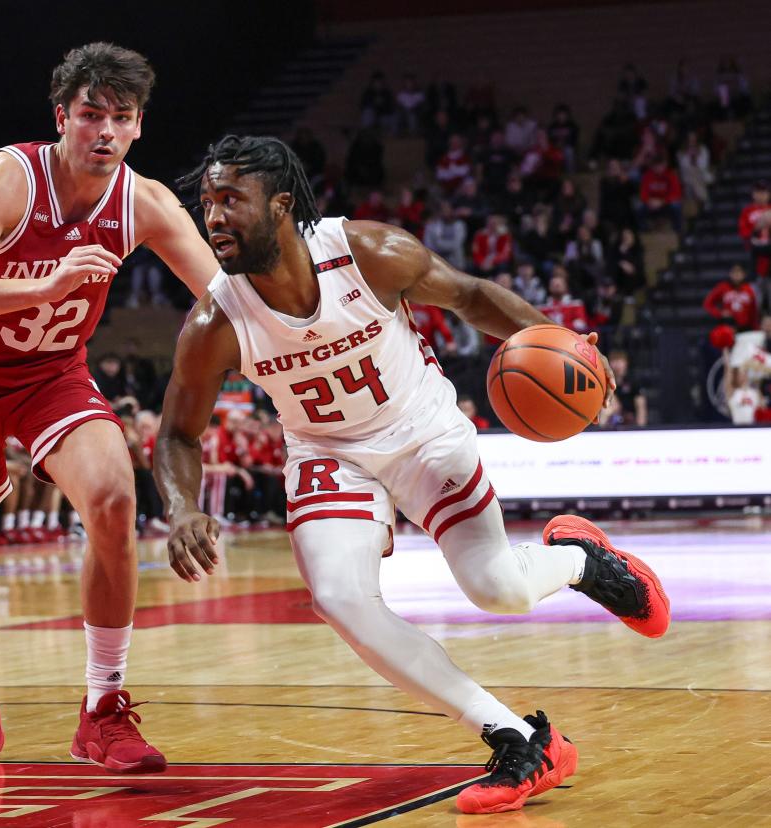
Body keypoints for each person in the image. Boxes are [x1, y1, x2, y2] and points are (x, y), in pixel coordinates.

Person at [158, 136, 670, 815]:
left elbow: (471, 296)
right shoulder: (215, 321)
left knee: (500, 590)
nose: (213, 218)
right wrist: (181, 506)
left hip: (424, 431)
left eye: (230, 200)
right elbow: (176, 433)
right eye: (206, 204)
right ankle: (518, 738)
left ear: (281, 204)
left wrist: (564, 346)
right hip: (327, 453)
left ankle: (582, 561)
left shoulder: (368, 253)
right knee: (340, 598)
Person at [0, 42, 217, 771]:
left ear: (139, 126)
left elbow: (225, 300)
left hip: (52, 374)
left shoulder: (144, 202)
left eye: (121, 117)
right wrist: (44, 284)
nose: (105, 131)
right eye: (90, 115)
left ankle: (102, 710)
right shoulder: (9, 178)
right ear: (62, 117)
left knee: (113, 495)